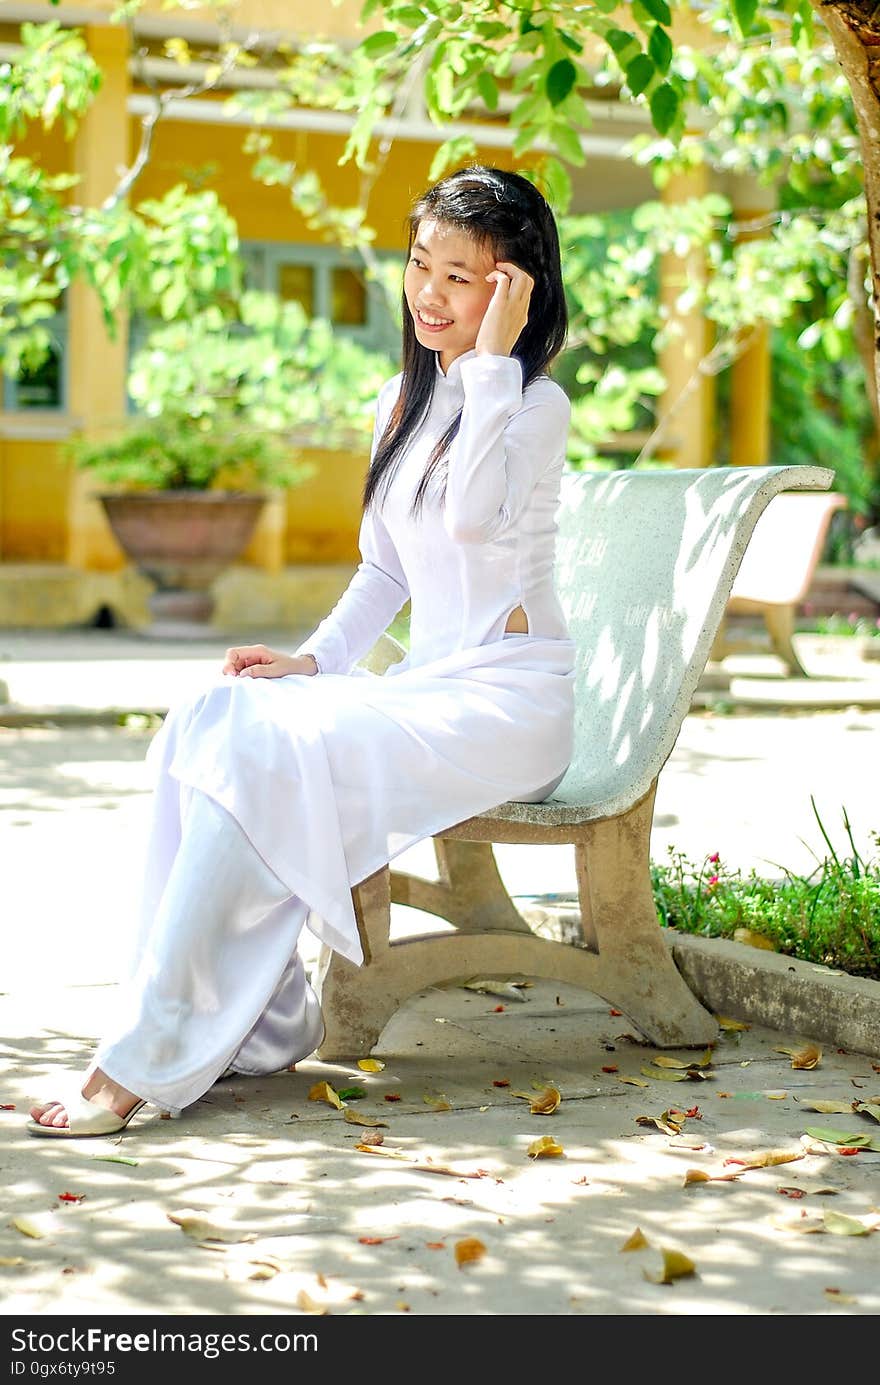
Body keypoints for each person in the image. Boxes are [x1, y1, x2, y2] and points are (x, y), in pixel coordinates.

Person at [27, 164, 576, 1138]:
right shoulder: (399, 402)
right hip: (425, 689)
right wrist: (311, 661)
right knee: (218, 710)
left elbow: (464, 524)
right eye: (418, 264)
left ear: (513, 289)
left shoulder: (531, 405)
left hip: (507, 703)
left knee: (278, 749)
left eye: (461, 276)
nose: (428, 293)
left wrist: (492, 365)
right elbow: (383, 572)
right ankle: (255, 1018)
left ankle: (144, 1057)